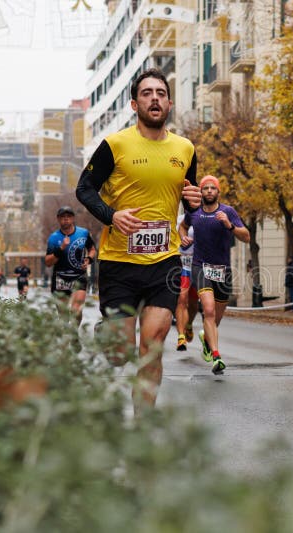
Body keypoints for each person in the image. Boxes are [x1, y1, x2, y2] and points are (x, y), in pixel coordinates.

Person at [76, 68, 202, 411]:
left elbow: (190, 201)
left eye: (161, 93)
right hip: (119, 262)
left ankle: (142, 424)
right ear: (135, 103)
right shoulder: (115, 145)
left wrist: (193, 206)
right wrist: (112, 215)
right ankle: (110, 336)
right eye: (147, 93)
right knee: (119, 354)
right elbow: (84, 189)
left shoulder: (186, 149)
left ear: (170, 103)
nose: (155, 98)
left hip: (164, 262)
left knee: (153, 344)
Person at [180, 175, 250, 371]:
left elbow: (246, 237)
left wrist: (229, 225)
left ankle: (206, 338)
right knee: (208, 310)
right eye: (205, 188)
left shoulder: (228, 211)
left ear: (218, 192)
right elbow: (182, 226)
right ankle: (216, 356)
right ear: (201, 192)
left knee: (215, 319)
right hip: (200, 266)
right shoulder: (193, 212)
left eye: (213, 188)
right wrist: (184, 238)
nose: (209, 191)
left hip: (223, 270)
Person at [45, 206, 97, 325]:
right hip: (60, 278)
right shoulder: (54, 238)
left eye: (68, 217)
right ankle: (66, 337)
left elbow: (92, 249)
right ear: (58, 219)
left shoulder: (83, 233)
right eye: (63, 217)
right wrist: (61, 248)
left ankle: (74, 335)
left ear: (73, 218)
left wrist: (88, 259)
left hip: (79, 276)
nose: (66, 219)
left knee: (76, 311)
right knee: (64, 317)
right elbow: (48, 262)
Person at [175, 225, 198, 351]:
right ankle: (181, 337)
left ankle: (188, 324)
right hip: (183, 267)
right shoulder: (178, 220)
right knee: (182, 298)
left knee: (194, 305)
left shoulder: (203, 218)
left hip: (197, 267)